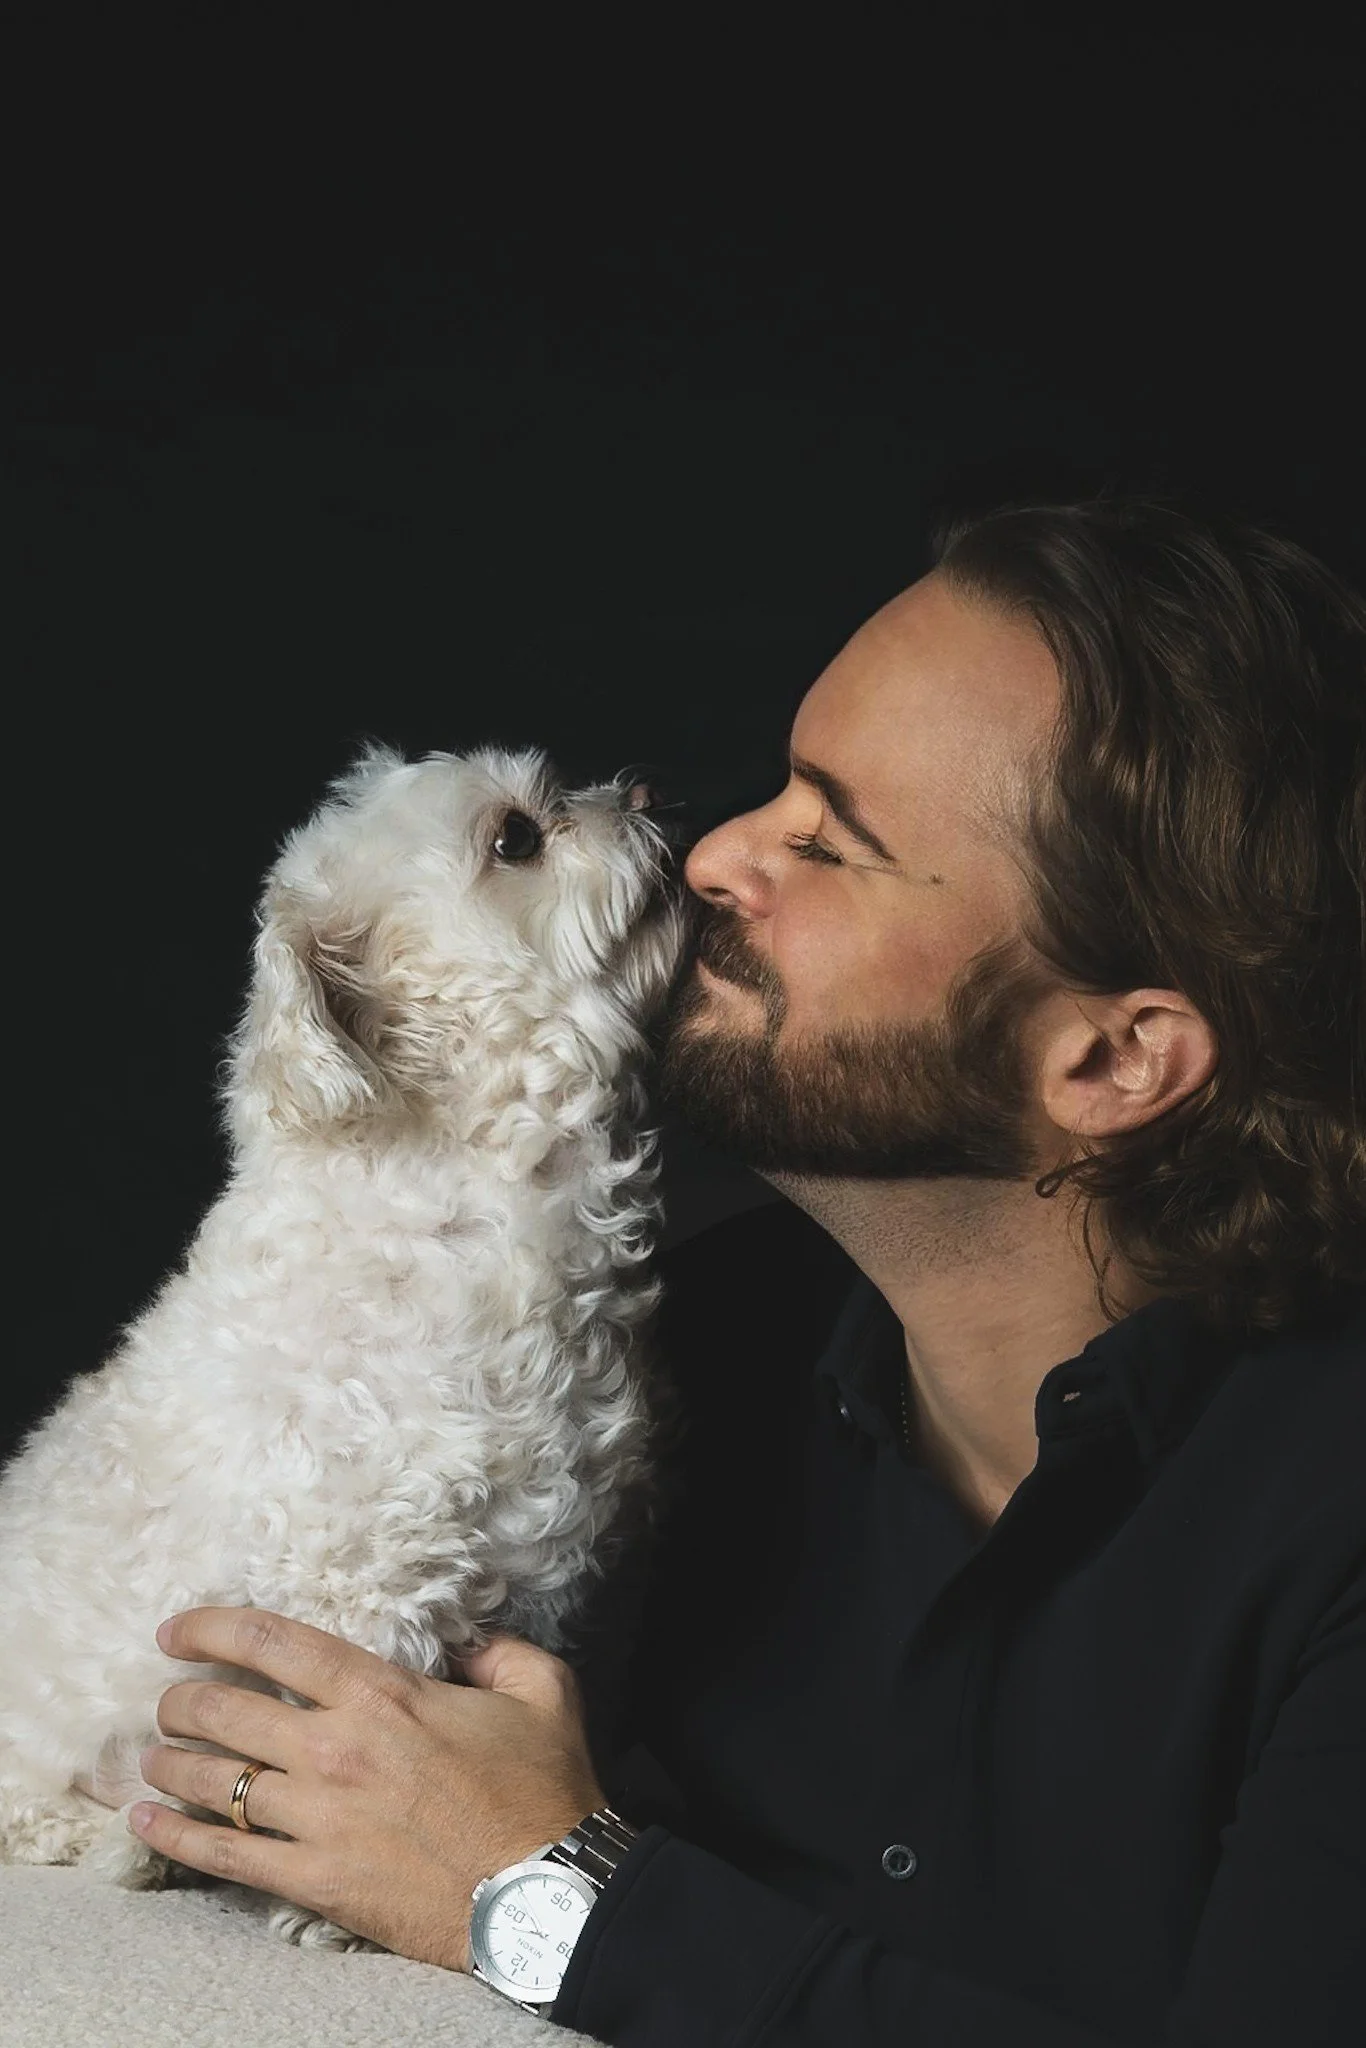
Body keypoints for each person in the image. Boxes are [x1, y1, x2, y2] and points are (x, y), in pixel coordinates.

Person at [121, 497, 1364, 2043]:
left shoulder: (1329, 1534)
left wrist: (560, 1894)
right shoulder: (691, 1362)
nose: (712, 854)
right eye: (777, 789)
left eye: (828, 842)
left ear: (1111, 1057)